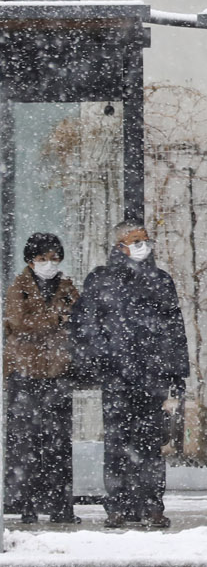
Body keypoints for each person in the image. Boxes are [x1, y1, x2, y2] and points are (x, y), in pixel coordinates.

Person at [70, 221, 190, 530]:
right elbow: (86, 326)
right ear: (120, 245)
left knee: (151, 443)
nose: (143, 246)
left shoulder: (161, 280)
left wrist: (177, 372)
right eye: (136, 240)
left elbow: (174, 329)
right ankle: (118, 505)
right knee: (117, 442)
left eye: (145, 240)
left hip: (153, 376)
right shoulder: (101, 280)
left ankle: (151, 505)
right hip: (117, 376)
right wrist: (101, 361)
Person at [4, 233, 80, 525]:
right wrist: (56, 320)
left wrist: (58, 322)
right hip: (25, 373)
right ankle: (27, 505)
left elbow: (78, 317)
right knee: (27, 443)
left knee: (59, 442)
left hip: (57, 373)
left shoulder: (67, 287)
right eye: (43, 259)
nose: (49, 264)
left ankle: (61, 506)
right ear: (30, 260)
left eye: (54, 258)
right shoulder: (18, 288)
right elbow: (19, 323)